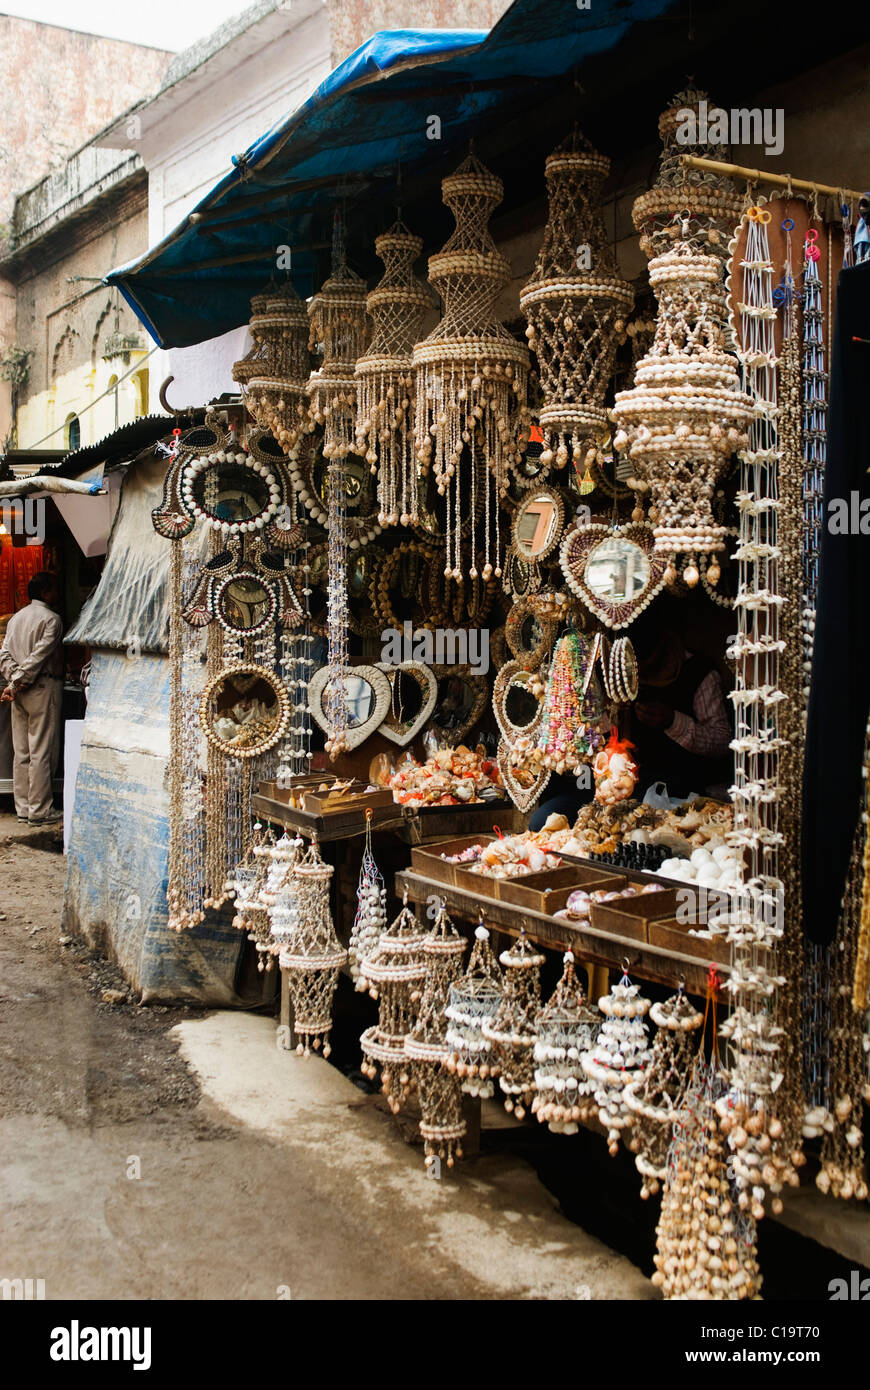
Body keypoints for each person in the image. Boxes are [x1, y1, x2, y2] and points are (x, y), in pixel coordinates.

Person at [631, 628, 731, 798]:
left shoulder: (700, 673)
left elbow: (722, 741)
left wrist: (673, 722)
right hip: (643, 791)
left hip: (692, 793)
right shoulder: (627, 676)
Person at [0, 571, 64, 825]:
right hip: (41, 687)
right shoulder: (52, 620)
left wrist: (13, 681)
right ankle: (40, 810)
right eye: (54, 590)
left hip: (20, 690)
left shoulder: (16, 618)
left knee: (22, 751)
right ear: (46, 592)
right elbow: (39, 656)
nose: (57, 594)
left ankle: (23, 808)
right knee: (40, 750)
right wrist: (18, 681)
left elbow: (4, 654)